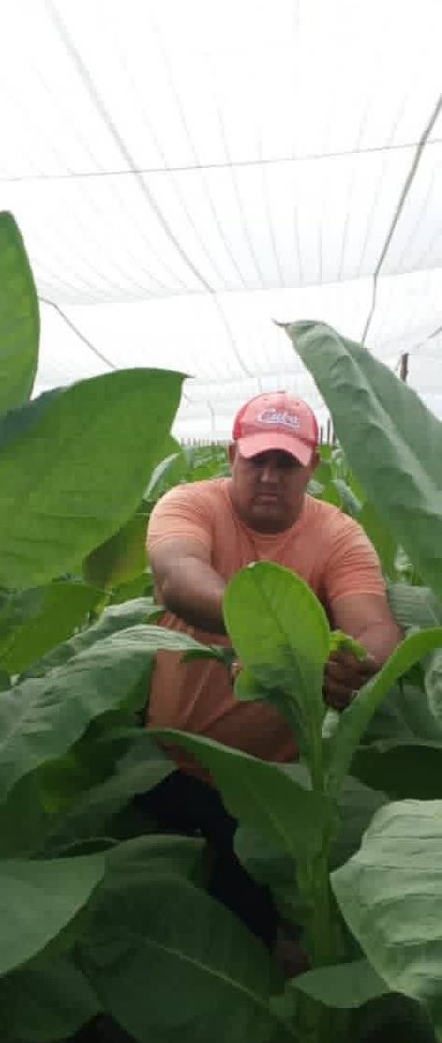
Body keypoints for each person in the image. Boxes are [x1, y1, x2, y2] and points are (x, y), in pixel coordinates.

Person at [137, 391, 401, 954]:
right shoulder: (190, 505)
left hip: (267, 790)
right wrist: (267, 632)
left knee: (243, 936)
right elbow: (179, 577)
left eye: (286, 463)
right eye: (257, 459)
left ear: (313, 467)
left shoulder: (338, 536)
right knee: (152, 927)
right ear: (233, 455)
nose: (269, 476)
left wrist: (358, 665)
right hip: (166, 767)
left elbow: (375, 626)